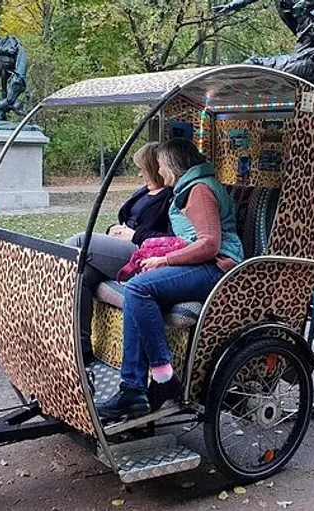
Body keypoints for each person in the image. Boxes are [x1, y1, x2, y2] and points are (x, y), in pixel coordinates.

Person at [96, 138, 244, 422]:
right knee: (138, 289)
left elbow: (209, 244)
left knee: (139, 288)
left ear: (173, 165)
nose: (160, 170)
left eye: (161, 164)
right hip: (201, 263)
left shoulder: (200, 190)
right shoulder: (190, 187)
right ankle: (133, 389)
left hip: (217, 266)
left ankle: (162, 377)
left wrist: (164, 260)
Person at [65, 142, 174, 364]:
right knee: (82, 276)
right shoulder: (144, 190)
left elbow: (171, 239)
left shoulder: (171, 197)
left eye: (142, 168)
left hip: (145, 253)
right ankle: (81, 349)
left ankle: (49, 277)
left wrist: (134, 235)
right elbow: (126, 219)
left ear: (155, 167)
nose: (139, 173)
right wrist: (114, 230)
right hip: (125, 243)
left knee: (79, 242)